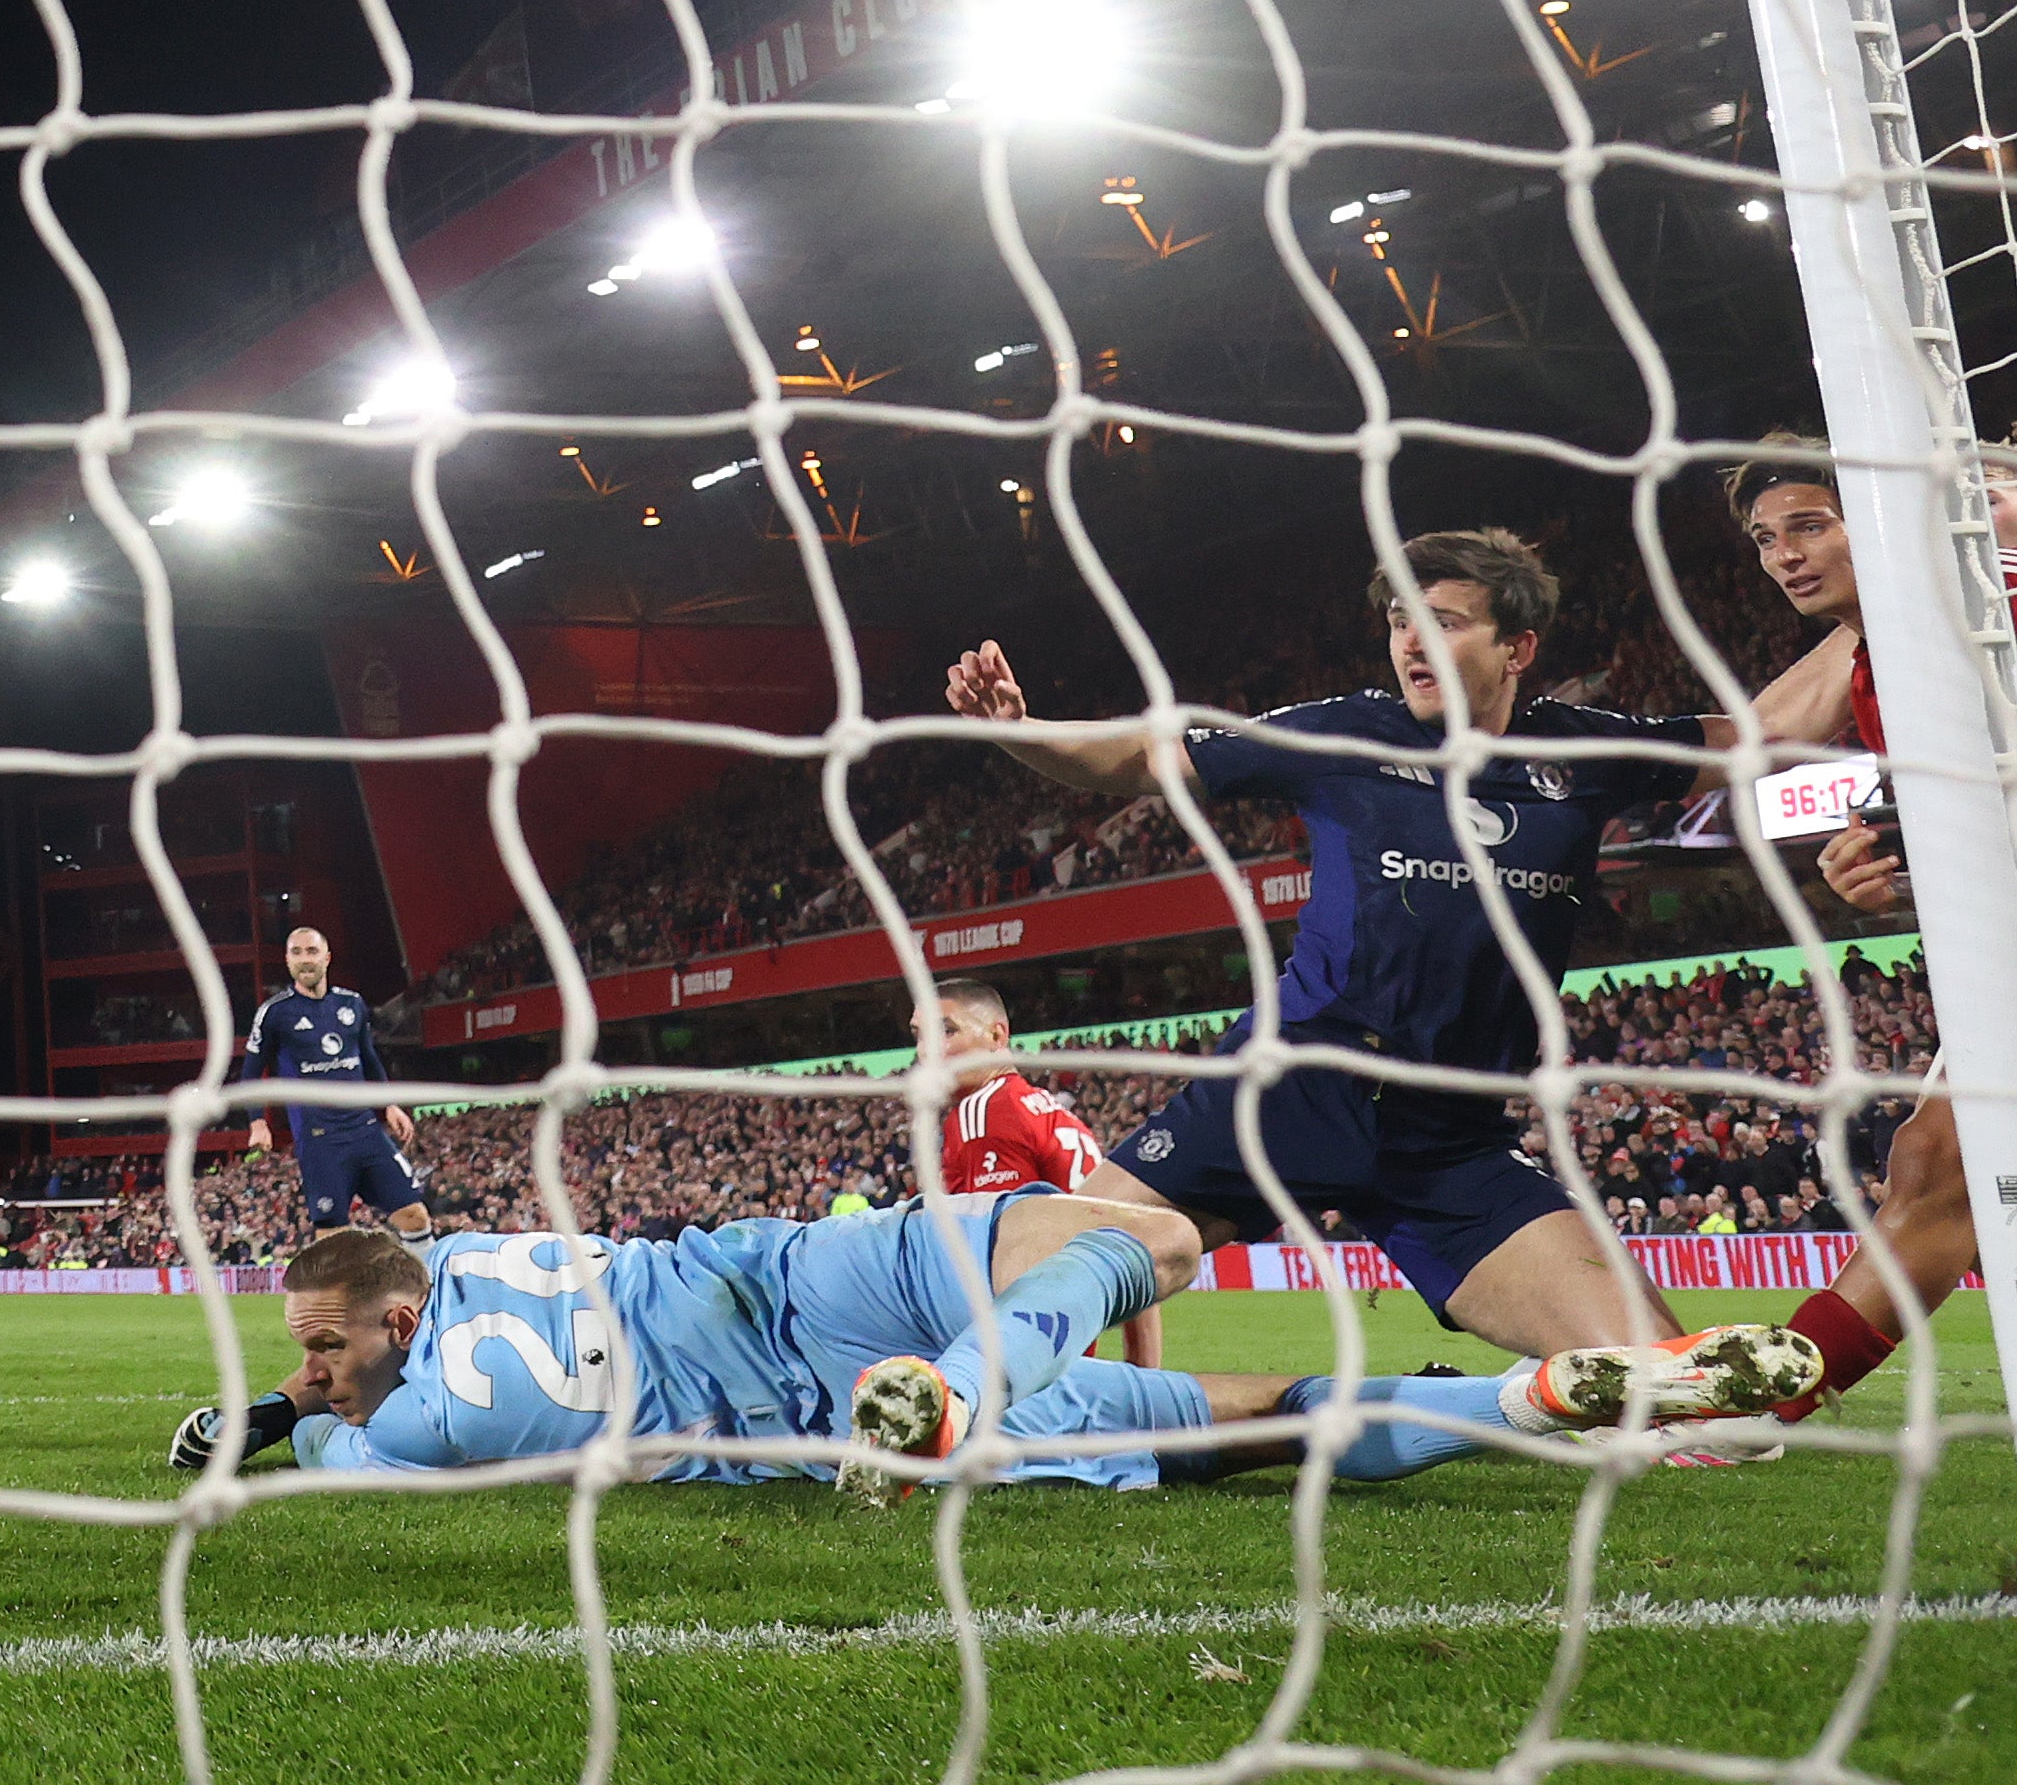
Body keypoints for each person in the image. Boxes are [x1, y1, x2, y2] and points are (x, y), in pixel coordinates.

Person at [945, 525, 1824, 1367]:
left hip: (1449, 1136)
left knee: (1666, 1377)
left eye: (1440, 621)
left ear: (1516, 648)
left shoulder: (1585, 751)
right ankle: (901, 1395)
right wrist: (1023, 730)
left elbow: (1766, 733)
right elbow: (1143, 757)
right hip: (1288, 1092)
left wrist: (1874, 616)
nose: (1410, 641)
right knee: (1027, 1272)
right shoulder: (1346, 733)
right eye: (1399, 620)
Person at [198, 1216, 1813, 1494]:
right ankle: (1542, 1394)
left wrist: (285, 1426)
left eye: (328, 1349)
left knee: (1239, 1421)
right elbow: (382, 1296)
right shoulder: (468, 1253)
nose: (319, 1372)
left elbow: (352, 1450)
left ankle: (965, 1393)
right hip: (792, 1276)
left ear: (400, 1327)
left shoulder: (429, 1425)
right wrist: (292, 1385)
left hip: (827, 1408)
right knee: (1163, 1271)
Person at [1720, 444, 1998, 1424]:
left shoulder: (1965, 581)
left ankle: (1752, 1412)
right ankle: (1757, 1410)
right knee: (1931, 1171)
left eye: (1809, 525)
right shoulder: (1872, 642)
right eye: (1764, 538)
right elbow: (1746, 734)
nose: (1784, 555)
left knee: (1940, 1176)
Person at [915, 978, 1159, 1372]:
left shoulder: (984, 1113)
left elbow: (993, 1264)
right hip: (1068, 1360)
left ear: (997, 1035)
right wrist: (1144, 1376)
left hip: (1024, 1371)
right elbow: (1132, 1243)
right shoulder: (1052, 1113)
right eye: (919, 1035)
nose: (927, 1050)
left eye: (947, 1031)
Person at [245, 928, 428, 1243]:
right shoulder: (275, 1013)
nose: (305, 959)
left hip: (365, 1130)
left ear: (326, 958)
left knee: (415, 1216)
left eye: (312, 951)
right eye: (297, 952)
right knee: (333, 1235)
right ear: (287, 960)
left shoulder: (352, 1003)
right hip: (320, 1140)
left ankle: (424, 1291)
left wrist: (389, 1104)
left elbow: (369, 1059)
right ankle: (333, 1294)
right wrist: (257, 1121)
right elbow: (250, 1073)